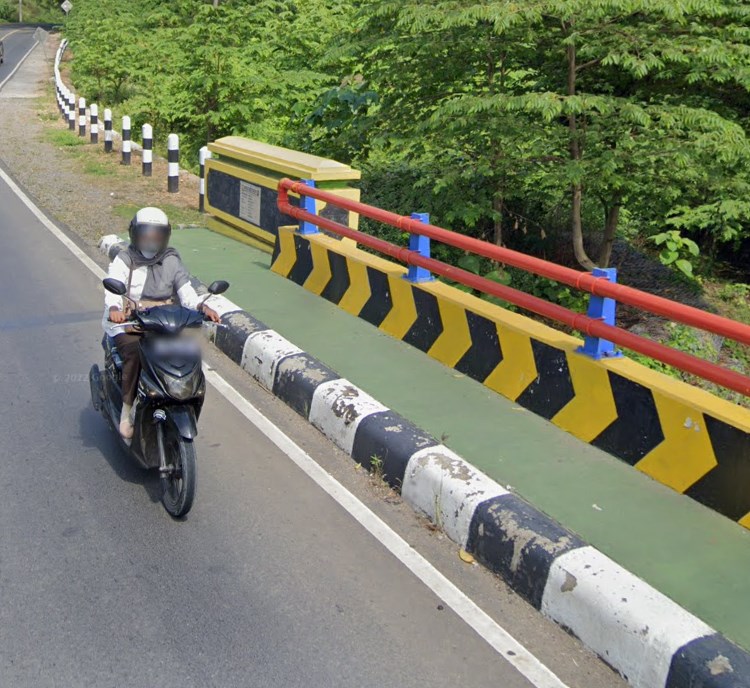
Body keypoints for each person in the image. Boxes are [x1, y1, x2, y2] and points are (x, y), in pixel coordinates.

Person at [103, 207, 220, 439]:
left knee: (189, 351)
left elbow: (186, 291)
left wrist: (201, 307)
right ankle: (127, 410)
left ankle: (179, 397)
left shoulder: (171, 260)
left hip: (166, 322)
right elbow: (113, 287)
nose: (151, 239)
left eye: (157, 235)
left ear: (164, 236)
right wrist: (116, 308)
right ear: (136, 234)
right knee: (136, 352)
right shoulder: (125, 259)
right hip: (132, 322)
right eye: (146, 234)